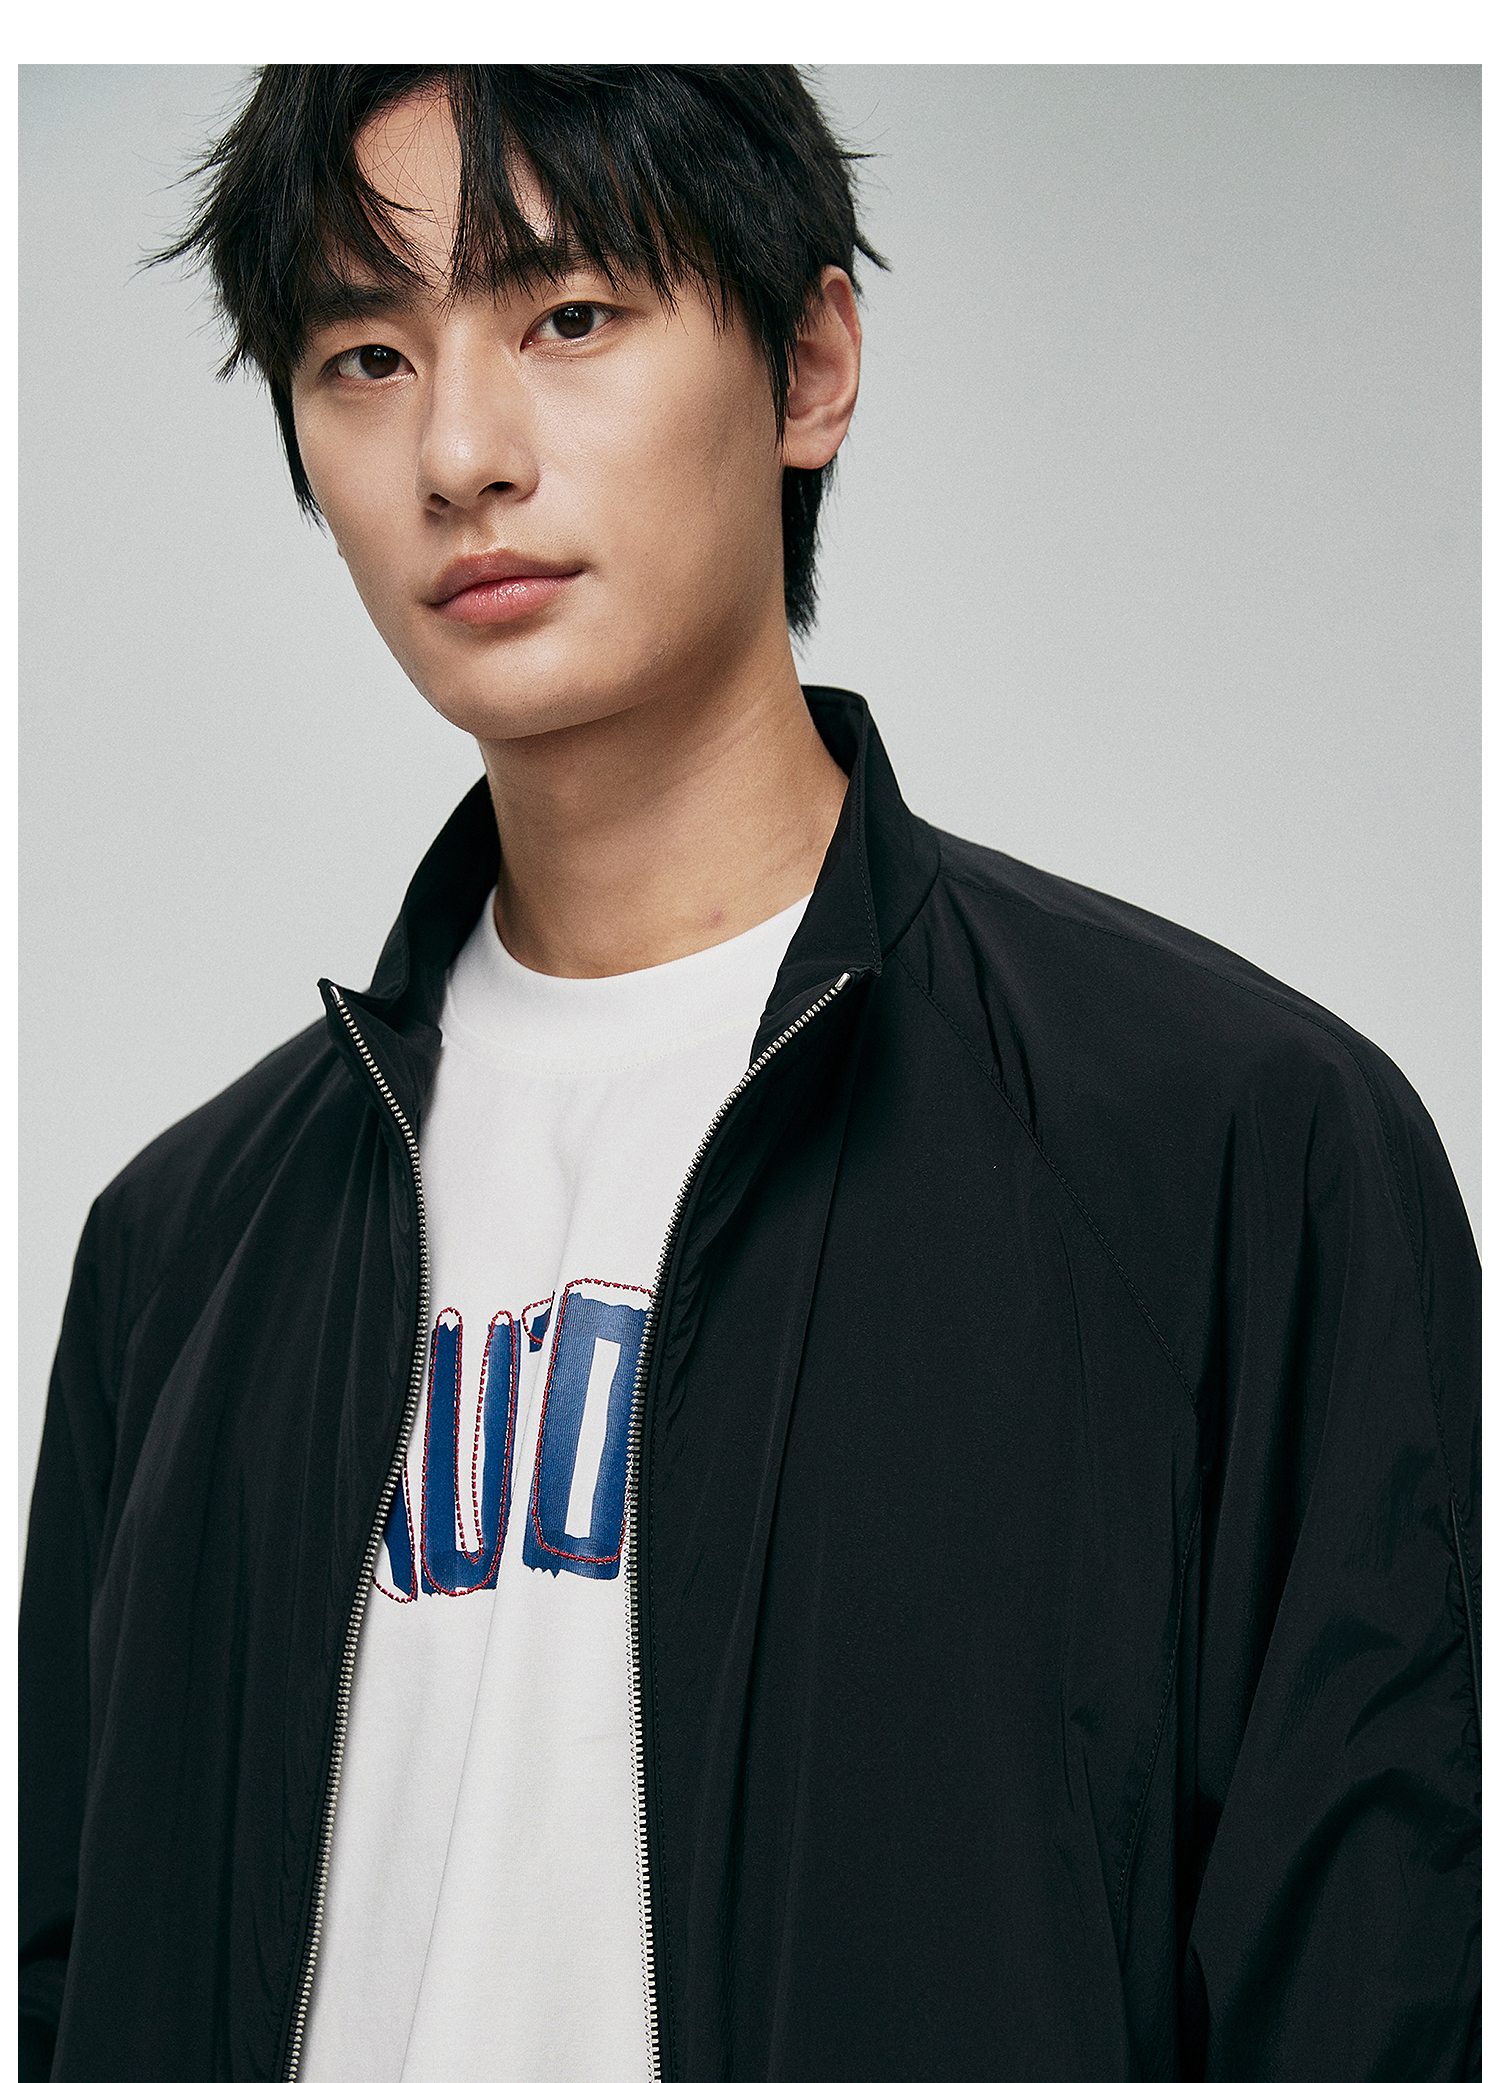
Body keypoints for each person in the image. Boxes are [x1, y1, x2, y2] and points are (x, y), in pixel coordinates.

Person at [18, 63, 1479, 2083]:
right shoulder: (177, 1262)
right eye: (364, 355)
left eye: (569, 316)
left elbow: (1372, 1990)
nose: (461, 451)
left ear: (808, 365)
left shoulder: (1233, 1153)